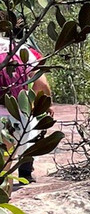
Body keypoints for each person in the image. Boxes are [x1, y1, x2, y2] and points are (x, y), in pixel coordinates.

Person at [0, 31, 51, 184]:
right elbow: (42, 85)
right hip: (17, 115)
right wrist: (35, 105)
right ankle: (25, 172)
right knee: (4, 171)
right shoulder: (20, 49)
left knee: (3, 167)